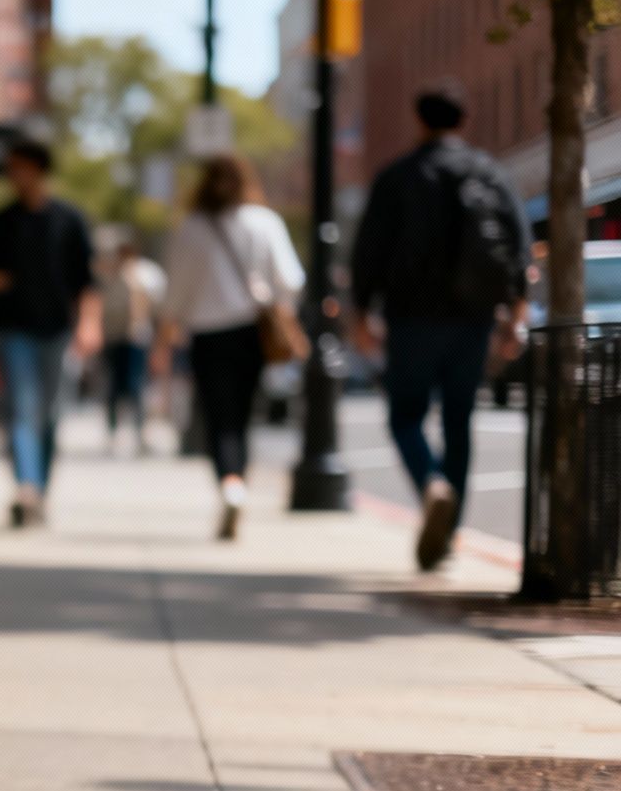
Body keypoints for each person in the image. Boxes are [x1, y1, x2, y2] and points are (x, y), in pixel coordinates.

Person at [349, 82, 532, 570]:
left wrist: (361, 312)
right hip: (472, 319)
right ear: (464, 120)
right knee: (458, 421)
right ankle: (447, 535)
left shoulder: (399, 177)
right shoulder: (488, 172)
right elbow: (518, 244)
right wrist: (516, 315)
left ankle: (431, 484)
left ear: (420, 120)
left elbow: (368, 252)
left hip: (411, 318)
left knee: (405, 415)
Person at [152, 154, 305, 541]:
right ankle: (239, 483)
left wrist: (163, 340)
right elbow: (289, 280)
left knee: (219, 418)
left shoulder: (191, 228)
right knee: (241, 416)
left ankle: (230, 483)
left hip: (207, 335)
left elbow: (175, 296)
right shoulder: (263, 222)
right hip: (250, 332)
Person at [0, 139, 100, 526]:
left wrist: (90, 324)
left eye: (20, 167)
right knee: (22, 410)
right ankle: (27, 486)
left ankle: (39, 486)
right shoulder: (1, 222)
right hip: (13, 330)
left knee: (51, 413)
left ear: (39, 169)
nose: (14, 175)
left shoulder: (69, 220)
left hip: (57, 330)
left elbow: (85, 282)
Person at [96, 236, 167, 451]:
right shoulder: (108, 274)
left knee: (137, 385)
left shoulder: (147, 273)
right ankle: (113, 430)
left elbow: (157, 305)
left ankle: (140, 431)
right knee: (112, 385)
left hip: (137, 336)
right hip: (113, 336)